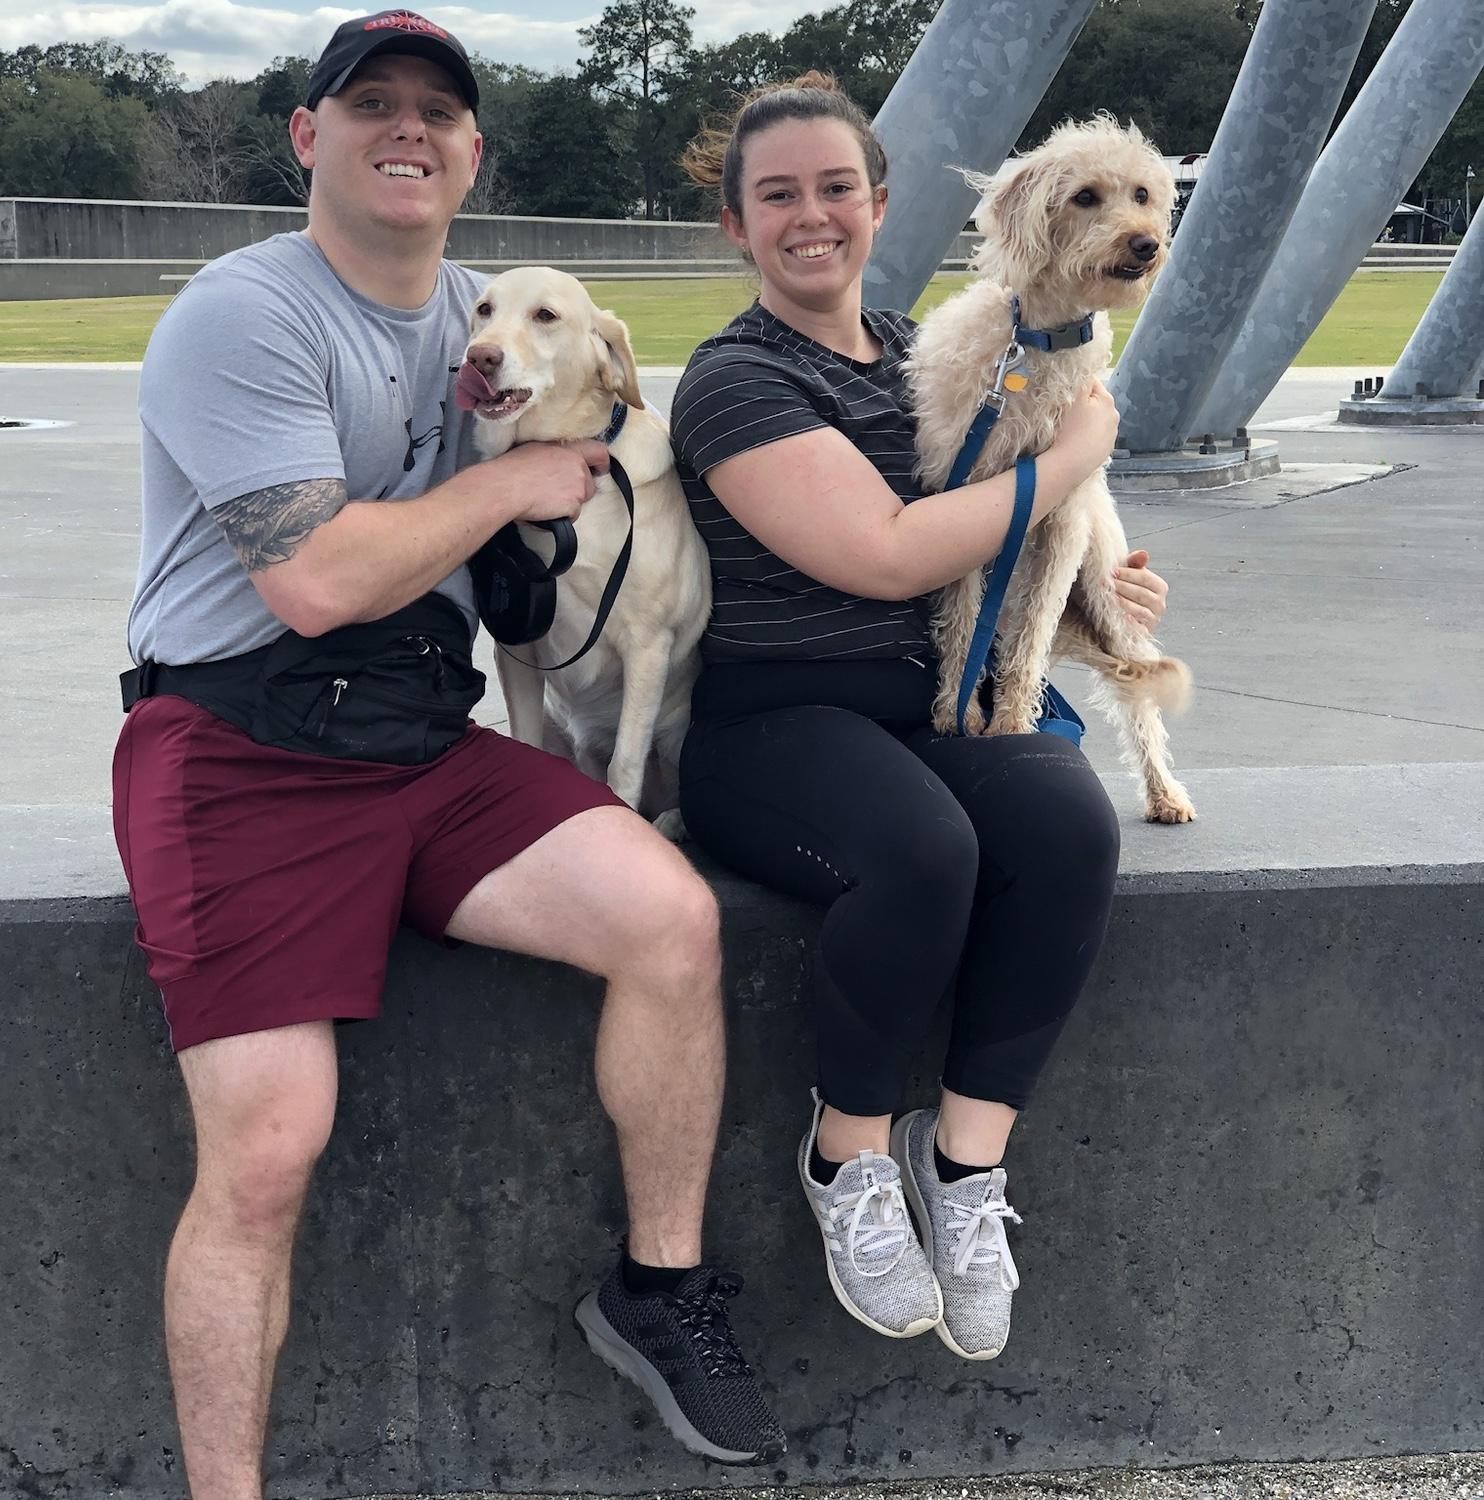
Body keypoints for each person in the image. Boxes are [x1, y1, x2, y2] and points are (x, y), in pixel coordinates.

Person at [112, 14, 785, 1493]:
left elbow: (617, 443)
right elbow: (314, 581)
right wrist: (515, 487)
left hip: (424, 739)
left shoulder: (486, 318)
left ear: (473, 153)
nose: (406, 129)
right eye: (372, 105)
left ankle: (659, 1287)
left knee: (670, 921)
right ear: (309, 138)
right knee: (269, 1148)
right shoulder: (244, 313)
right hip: (240, 743)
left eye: (437, 110)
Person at [671, 74, 1171, 1361]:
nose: (812, 216)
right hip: (776, 725)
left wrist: (1103, 584)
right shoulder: (734, 380)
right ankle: (846, 1160)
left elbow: (1015, 537)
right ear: (736, 224)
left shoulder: (930, 347)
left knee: (1067, 827)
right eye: (778, 195)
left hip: (925, 714)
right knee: (924, 852)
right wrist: (1079, 452)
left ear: (880, 205)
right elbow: (889, 552)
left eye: (837, 187)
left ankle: (963, 1168)